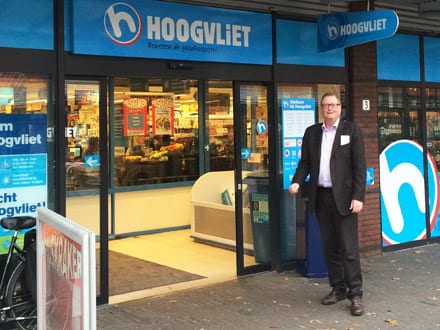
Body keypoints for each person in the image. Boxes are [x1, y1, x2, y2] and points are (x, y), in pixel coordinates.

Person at [288, 92, 366, 316]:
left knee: (348, 248)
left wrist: (358, 196)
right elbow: (304, 163)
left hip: (345, 199)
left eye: (334, 104)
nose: (330, 108)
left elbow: (359, 167)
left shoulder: (351, 131)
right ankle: (338, 288)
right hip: (321, 197)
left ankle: (356, 294)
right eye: (326, 105)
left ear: (340, 107)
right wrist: (296, 181)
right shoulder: (312, 132)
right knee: (329, 247)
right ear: (321, 108)